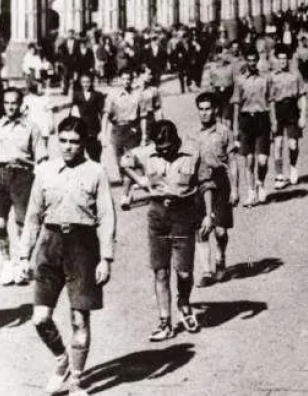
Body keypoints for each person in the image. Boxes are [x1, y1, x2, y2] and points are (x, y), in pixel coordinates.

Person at [17, 116, 116, 396]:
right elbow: (33, 215)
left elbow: (106, 217)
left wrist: (106, 258)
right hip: (50, 245)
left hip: (83, 248)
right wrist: (24, 254)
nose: (68, 147)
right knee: (40, 318)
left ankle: (76, 381)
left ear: (83, 143)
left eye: (74, 142)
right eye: (63, 141)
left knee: (79, 319)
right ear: (56, 140)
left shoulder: (96, 172)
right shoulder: (45, 171)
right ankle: (61, 359)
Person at [120, 120, 215, 341]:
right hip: (157, 215)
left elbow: (206, 184)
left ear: (177, 141)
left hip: (183, 214)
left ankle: (184, 303)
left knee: (184, 271)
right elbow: (124, 161)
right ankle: (164, 321)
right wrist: (141, 181)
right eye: (160, 150)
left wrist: (208, 214)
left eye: (169, 149)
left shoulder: (193, 152)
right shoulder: (146, 153)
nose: (165, 153)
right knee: (160, 271)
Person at [0, 88, 49, 286]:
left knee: (24, 224)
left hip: (23, 176)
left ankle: (23, 263)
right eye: (6, 103)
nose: (10, 107)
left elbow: (42, 159)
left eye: (14, 103)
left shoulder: (32, 128)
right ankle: (6, 264)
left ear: (21, 105)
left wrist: (42, 187)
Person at [193, 93, 238, 286]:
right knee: (201, 230)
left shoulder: (224, 132)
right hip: (199, 184)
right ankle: (205, 271)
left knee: (220, 231)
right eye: (201, 109)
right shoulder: (192, 134)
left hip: (220, 183)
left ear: (215, 110)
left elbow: (233, 161)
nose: (204, 113)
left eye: (207, 109)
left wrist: (235, 188)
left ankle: (220, 261)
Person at [232, 51, 276, 206]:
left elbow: (271, 100)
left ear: (257, 61)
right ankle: (251, 192)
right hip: (246, 120)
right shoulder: (240, 80)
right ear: (246, 61)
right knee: (249, 160)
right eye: (249, 60)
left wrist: (274, 121)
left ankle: (261, 183)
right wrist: (235, 127)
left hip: (262, 119)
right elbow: (236, 104)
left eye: (254, 60)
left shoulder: (265, 78)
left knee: (262, 160)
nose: (251, 63)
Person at [103, 70, 146, 209]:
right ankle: (131, 187)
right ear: (119, 80)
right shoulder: (112, 95)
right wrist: (103, 133)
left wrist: (144, 134)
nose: (126, 81)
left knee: (128, 163)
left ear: (132, 80)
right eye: (123, 79)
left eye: (129, 79)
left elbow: (143, 116)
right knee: (121, 165)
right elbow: (106, 115)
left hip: (132, 130)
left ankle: (124, 195)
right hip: (117, 131)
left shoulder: (138, 95)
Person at [269, 50, 305, 188]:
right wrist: (272, 119)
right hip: (278, 110)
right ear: (277, 60)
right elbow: (270, 99)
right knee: (277, 144)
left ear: (288, 60)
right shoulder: (272, 77)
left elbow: (302, 95)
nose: (283, 61)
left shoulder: (295, 75)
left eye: (285, 58)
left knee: (293, 144)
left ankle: (293, 167)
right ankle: (279, 176)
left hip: (291, 109)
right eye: (280, 59)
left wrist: (303, 115)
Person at [70, 73, 106, 163]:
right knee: (78, 155)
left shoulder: (98, 95)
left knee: (95, 156)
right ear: (80, 83)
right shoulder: (77, 95)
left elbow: (102, 114)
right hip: (80, 129)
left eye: (88, 82)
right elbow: (72, 112)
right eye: (83, 82)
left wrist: (102, 131)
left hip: (94, 130)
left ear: (91, 82)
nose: (85, 84)